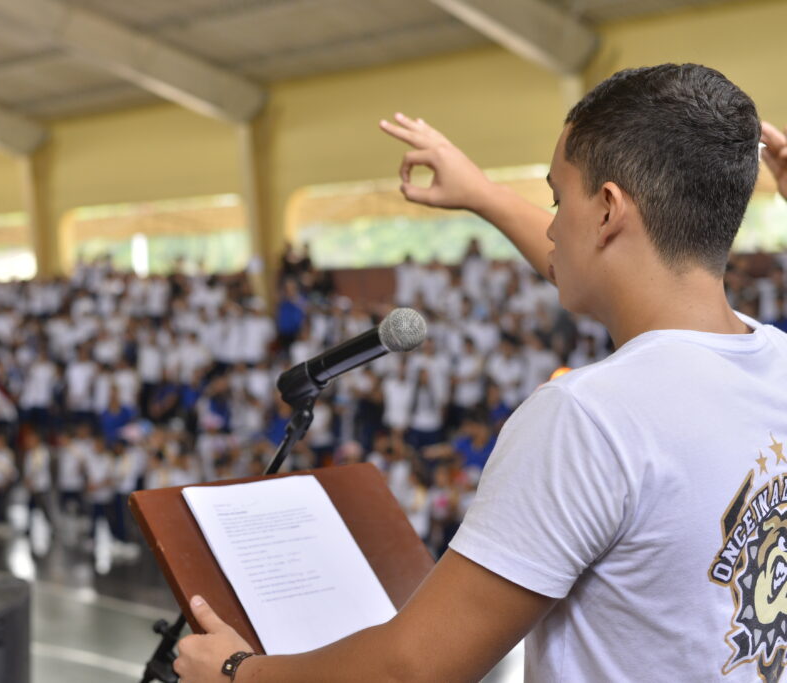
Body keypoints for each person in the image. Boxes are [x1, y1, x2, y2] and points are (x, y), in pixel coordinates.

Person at [174, 64, 787, 682]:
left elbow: (410, 671)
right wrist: (483, 195)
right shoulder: (774, 363)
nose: (550, 226)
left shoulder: (590, 416)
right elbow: (608, 271)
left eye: (556, 197)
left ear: (607, 211)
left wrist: (236, 672)